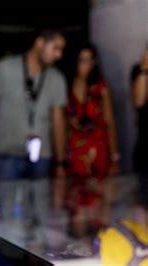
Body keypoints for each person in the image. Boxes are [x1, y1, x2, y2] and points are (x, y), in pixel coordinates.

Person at [0, 29, 67, 223]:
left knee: (40, 211)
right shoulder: (5, 68)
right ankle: (6, 251)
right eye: (55, 48)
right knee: (5, 210)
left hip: (42, 155)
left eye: (61, 49)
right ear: (40, 43)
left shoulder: (56, 78)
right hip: (6, 151)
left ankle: (35, 251)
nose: (59, 54)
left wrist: (61, 161)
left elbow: (58, 121)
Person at [65, 44, 119, 238]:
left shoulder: (100, 86)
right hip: (76, 150)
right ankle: (79, 242)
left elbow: (110, 121)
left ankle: (101, 242)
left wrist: (115, 156)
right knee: (75, 198)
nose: (86, 65)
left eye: (90, 60)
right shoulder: (67, 84)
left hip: (98, 148)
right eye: (82, 60)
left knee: (100, 197)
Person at [131, 47, 148, 223]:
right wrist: (145, 68)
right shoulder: (139, 71)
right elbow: (138, 100)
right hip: (144, 148)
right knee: (142, 202)